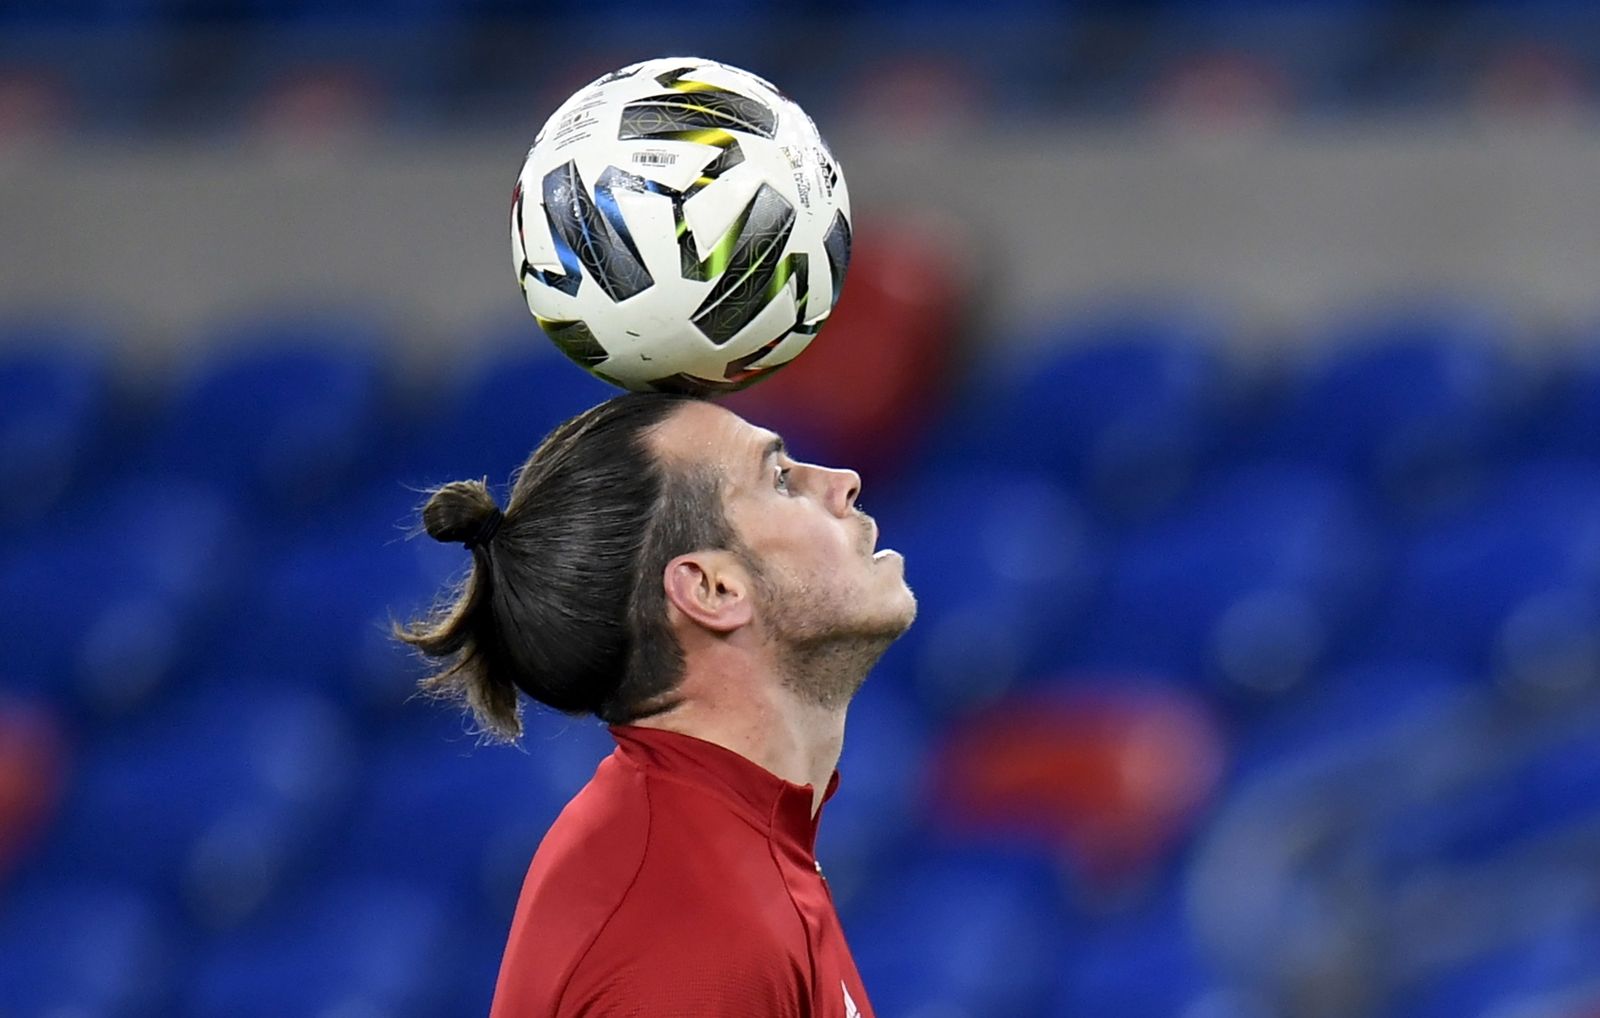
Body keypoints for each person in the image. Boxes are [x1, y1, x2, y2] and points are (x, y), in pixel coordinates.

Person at [396, 392, 916, 1017]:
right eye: (780, 479)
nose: (842, 482)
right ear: (712, 589)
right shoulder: (688, 944)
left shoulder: (726, 843)